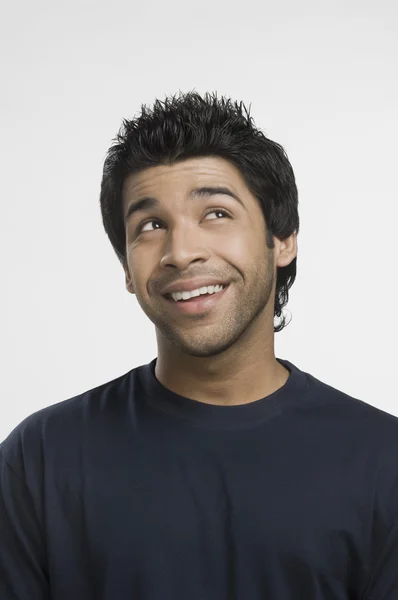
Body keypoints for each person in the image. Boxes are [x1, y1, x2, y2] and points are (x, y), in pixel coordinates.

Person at [1, 91, 397, 600]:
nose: (181, 253)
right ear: (126, 267)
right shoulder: (40, 460)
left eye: (215, 214)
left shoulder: (383, 465)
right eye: (150, 225)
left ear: (283, 239)